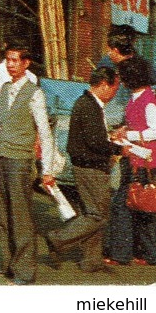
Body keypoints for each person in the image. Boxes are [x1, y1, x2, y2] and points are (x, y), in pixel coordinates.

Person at [0, 43, 64, 284]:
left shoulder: (35, 94)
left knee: (20, 217)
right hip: (1, 158)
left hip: (21, 161)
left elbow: (45, 133)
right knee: (4, 214)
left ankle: (25, 271)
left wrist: (48, 170)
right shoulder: (3, 90)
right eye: (8, 60)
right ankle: (9, 264)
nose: (10, 65)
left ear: (26, 63)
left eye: (15, 60)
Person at [45, 64, 122, 272]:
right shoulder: (89, 106)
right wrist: (118, 148)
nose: (115, 94)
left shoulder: (88, 103)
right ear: (104, 85)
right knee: (97, 215)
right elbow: (95, 141)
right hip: (90, 166)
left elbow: (94, 137)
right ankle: (58, 238)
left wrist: (110, 139)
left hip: (86, 164)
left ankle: (91, 260)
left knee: (93, 212)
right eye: (115, 89)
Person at [108, 56, 156, 267]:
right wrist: (124, 131)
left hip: (145, 160)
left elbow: (155, 130)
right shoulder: (136, 98)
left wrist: (130, 135)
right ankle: (145, 252)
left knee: (132, 204)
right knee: (137, 205)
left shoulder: (148, 101)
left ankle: (123, 253)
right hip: (134, 157)